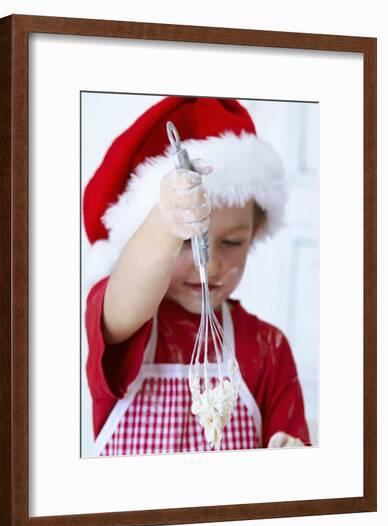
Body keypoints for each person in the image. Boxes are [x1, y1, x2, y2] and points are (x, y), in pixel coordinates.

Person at [83, 96, 311, 456]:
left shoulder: (269, 348)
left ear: (255, 233)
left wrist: (291, 455)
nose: (212, 264)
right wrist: (165, 223)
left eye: (232, 242)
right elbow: (127, 294)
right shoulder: (127, 322)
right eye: (186, 241)